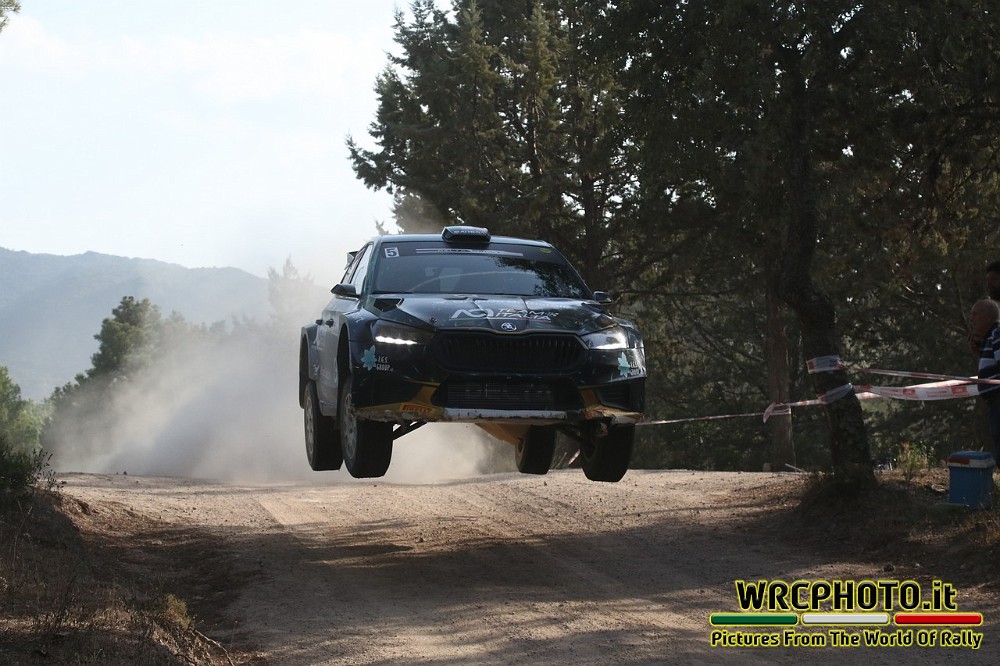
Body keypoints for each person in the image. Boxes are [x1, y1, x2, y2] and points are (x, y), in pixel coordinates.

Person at [969, 299, 1000, 451]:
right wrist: (980, 350)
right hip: (994, 403)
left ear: (988, 317)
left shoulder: (997, 333)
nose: (972, 319)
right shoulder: (989, 338)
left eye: (975, 314)